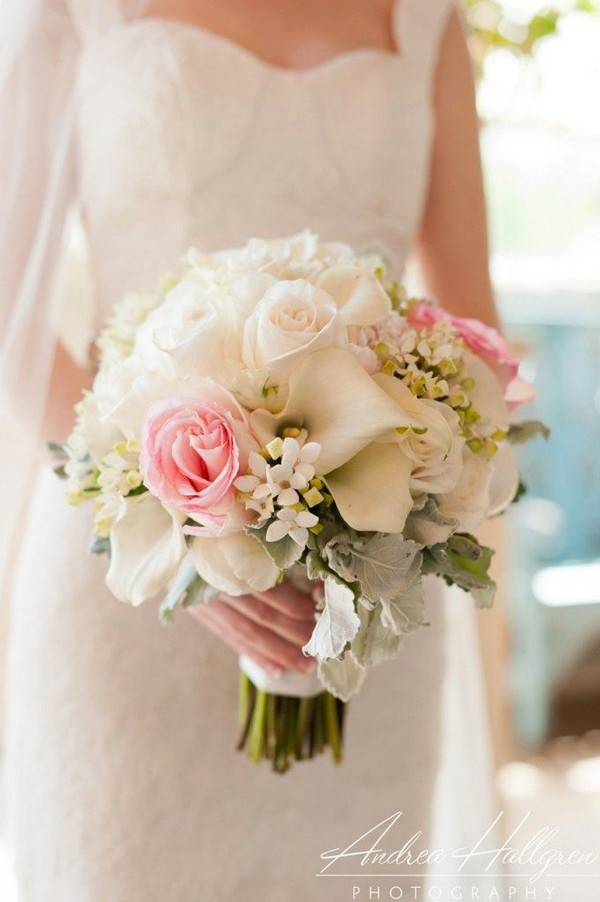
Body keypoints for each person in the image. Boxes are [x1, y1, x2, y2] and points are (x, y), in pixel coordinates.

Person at [0, 1, 504, 899]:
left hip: (363, 601)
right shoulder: (71, 12)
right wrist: (178, 531)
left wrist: (406, 504)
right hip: (123, 579)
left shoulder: (428, 18)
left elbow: (473, 328)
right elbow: (8, 316)